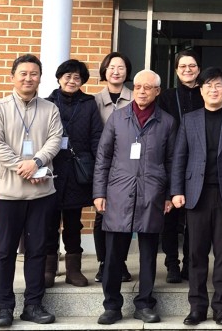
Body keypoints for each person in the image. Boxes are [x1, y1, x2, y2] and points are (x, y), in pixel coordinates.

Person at [0, 54, 63, 329]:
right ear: (13, 77)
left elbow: (55, 139)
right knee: (5, 251)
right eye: (23, 73)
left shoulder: (50, 109)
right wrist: (23, 166)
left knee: (37, 251)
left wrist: (38, 162)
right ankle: (4, 307)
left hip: (42, 194)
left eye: (34, 73)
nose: (29, 78)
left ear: (40, 78)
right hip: (8, 194)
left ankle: (33, 304)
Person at [170, 67, 222, 327]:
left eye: (218, 85)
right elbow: (179, 157)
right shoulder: (190, 120)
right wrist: (176, 190)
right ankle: (197, 307)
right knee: (195, 254)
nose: (213, 89)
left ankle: (221, 308)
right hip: (197, 195)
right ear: (201, 90)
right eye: (208, 85)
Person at [93, 69, 176, 326]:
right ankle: (112, 305)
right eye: (138, 86)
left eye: (147, 87)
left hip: (152, 193)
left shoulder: (167, 122)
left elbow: (173, 161)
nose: (141, 91)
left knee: (149, 253)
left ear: (157, 91)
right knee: (114, 254)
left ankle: (145, 303)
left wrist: (170, 195)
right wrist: (99, 192)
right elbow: (103, 158)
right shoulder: (118, 119)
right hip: (118, 193)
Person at [44, 59, 103, 287]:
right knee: (49, 222)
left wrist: (99, 164)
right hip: (51, 170)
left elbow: (96, 135)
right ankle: (49, 269)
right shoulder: (47, 103)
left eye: (77, 77)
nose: (71, 81)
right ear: (59, 78)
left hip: (78, 171)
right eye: (67, 76)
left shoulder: (88, 103)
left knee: (73, 222)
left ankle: (73, 270)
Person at [158, 50, 202, 283]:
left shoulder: (206, 93)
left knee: (194, 218)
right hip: (172, 161)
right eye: (183, 66)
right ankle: (172, 264)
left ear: (198, 69)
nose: (187, 69)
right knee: (170, 218)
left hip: (199, 163)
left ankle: (189, 263)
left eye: (192, 65)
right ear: (176, 70)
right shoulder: (166, 97)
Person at [94, 53, 134, 284]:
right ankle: (104, 262)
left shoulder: (136, 97)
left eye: (121, 67)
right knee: (102, 215)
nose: (116, 71)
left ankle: (120, 261)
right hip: (104, 165)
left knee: (127, 215)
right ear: (104, 71)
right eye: (111, 67)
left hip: (128, 167)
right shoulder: (94, 101)